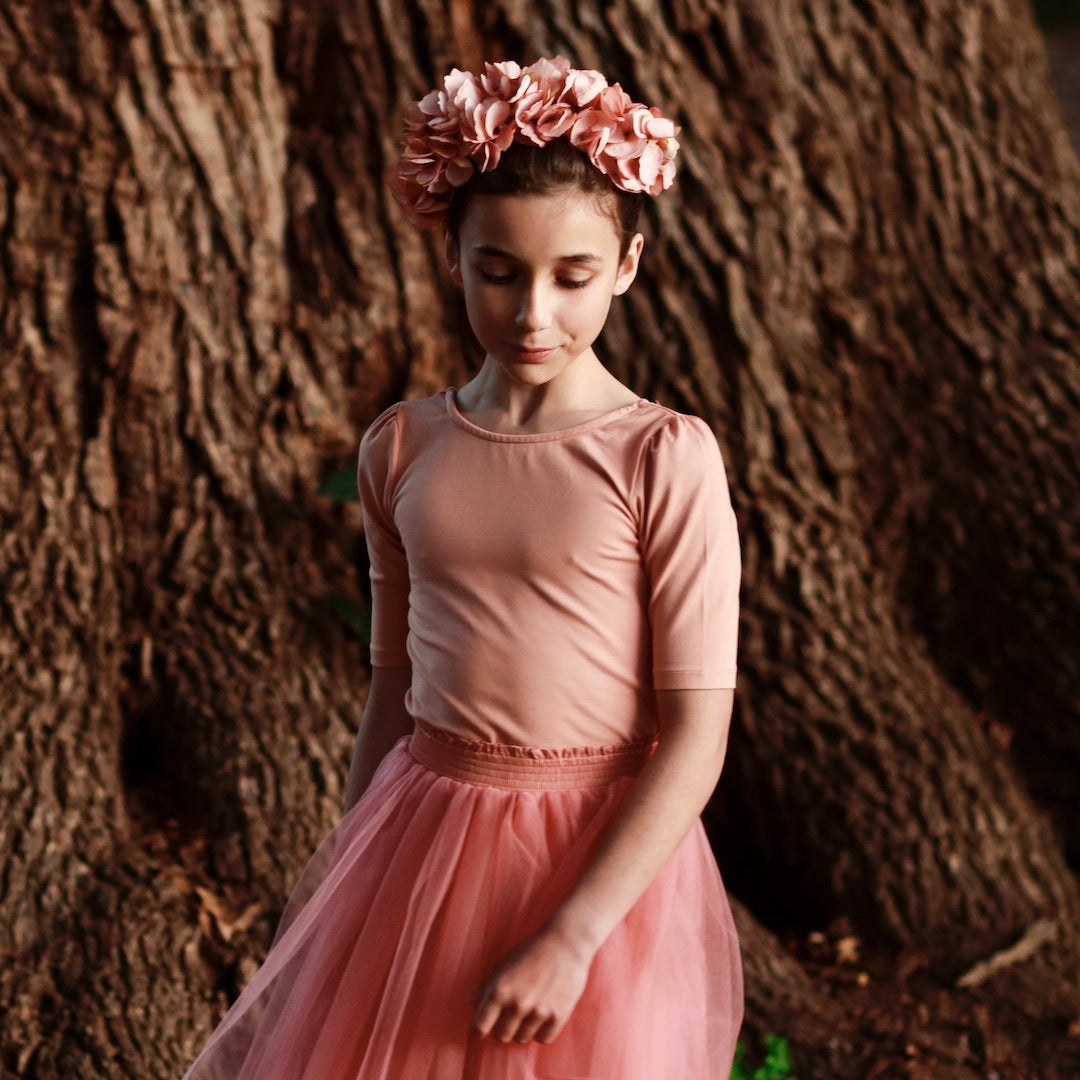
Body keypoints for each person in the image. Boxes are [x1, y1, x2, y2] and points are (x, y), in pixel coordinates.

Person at [183, 55, 744, 1080]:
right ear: (453, 256)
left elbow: (697, 732)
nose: (535, 313)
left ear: (626, 265)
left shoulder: (663, 458)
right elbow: (392, 689)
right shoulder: (402, 449)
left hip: (596, 865)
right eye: (500, 271)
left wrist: (575, 934)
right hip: (419, 844)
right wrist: (339, 885)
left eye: (573, 278)